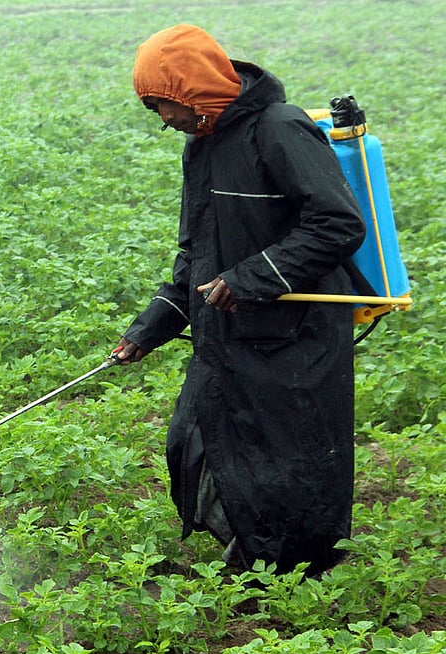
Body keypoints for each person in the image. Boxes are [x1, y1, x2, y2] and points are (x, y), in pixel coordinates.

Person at [114, 24, 366, 577]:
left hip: (296, 333)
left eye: (165, 105)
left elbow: (338, 224)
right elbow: (197, 253)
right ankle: (253, 555)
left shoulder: (280, 129)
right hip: (228, 334)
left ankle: (294, 574)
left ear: (194, 89)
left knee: (286, 458)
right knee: (201, 441)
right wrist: (149, 327)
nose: (165, 120)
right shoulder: (201, 148)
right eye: (154, 110)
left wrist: (253, 277)